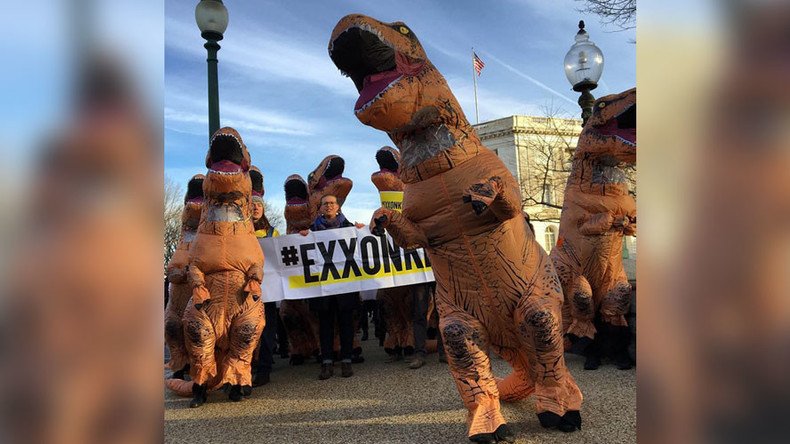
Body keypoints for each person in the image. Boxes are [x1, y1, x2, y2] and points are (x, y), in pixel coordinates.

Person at [300, 194, 365, 379]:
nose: (328, 206)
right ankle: (326, 362)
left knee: (346, 324)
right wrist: (303, 237)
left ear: (338, 207)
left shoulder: (349, 227)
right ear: (320, 208)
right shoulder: (311, 230)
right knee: (325, 326)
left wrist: (360, 231)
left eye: (332, 203)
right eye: (325, 204)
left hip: (345, 288)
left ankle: (346, 360)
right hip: (324, 290)